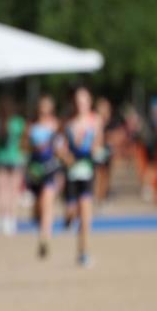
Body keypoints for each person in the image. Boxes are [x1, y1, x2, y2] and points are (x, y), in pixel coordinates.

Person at [59, 87, 103, 267]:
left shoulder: (95, 121)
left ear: (89, 102)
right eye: (78, 102)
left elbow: (98, 143)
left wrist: (96, 150)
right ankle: (68, 218)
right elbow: (60, 147)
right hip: (71, 174)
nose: (81, 105)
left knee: (86, 216)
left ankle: (83, 252)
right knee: (72, 212)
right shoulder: (68, 124)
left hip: (87, 172)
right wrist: (65, 156)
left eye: (84, 101)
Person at [25, 95, 62, 260]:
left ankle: (44, 238)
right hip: (35, 169)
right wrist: (33, 146)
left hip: (50, 168)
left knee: (47, 203)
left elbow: (61, 145)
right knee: (38, 206)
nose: (44, 109)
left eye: (47, 106)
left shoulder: (55, 125)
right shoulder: (31, 126)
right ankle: (41, 226)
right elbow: (24, 145)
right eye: (42, 106)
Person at [0, 96, 27, 235]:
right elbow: (24, 140)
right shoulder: (18, 123)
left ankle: (1, 220)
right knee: (13, 191)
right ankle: (11, 220)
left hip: (0, 159)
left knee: (1, 191)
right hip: (15, 158)